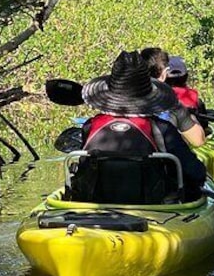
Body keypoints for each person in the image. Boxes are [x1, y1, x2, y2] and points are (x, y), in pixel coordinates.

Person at [77, 50, 207, 201]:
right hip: (149, 205)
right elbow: (196, 173)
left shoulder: (89, 126)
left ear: (110, 93)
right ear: (148, 95)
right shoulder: (162, 129)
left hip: (95, 204)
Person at [140, 47, 207, 146]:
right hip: (161, 156)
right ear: (164, 73)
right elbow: (198, 141)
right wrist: (192, 118)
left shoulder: (120, 97)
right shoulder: (171, 102)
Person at [163, 55, 212, 132]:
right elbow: (204, 123)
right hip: (191, 132)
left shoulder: (160, 95)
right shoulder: (193, 95)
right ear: (185, 77)